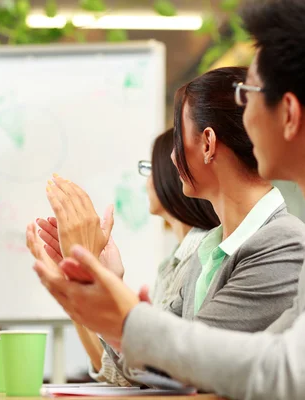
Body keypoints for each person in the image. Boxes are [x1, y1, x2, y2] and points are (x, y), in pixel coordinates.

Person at [32, 0, 305, 398]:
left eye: (248, 92)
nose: (243, 114)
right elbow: (260, 357)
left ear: (287, 113)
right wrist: (122, 314)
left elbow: (289, 372)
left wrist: (131, 321)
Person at [32, 66, 305, 376]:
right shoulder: (207, 250)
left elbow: (178, 363)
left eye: (178, 137)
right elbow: (138, 370)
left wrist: (101, 282)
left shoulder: (283, 243)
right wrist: (103, 277)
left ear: (207, 143)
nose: (173, 158)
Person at [29, 129, 219, 386]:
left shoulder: (202, 254)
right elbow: (113, 368)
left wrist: (92, 275)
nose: (146, 181)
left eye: (150, 168)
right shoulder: (175, 259)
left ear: (172, 171)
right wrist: (74, 283)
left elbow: (143, 374)